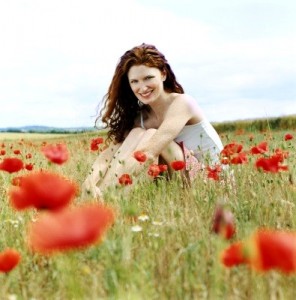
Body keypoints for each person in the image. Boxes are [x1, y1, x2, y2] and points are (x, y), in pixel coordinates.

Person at [82, 43, 224, 198]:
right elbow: (109, 154)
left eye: (148, 78)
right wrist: (90, 182)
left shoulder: (183, 103)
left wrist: (113, 187)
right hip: (179, 178)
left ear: (163, 74)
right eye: (134, 81)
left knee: (151, 135)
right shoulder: (141, 117)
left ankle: (109, 198)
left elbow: (149, 153)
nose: (142, 88)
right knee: (137, 132)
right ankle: (98, 200)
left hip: (211, 183)